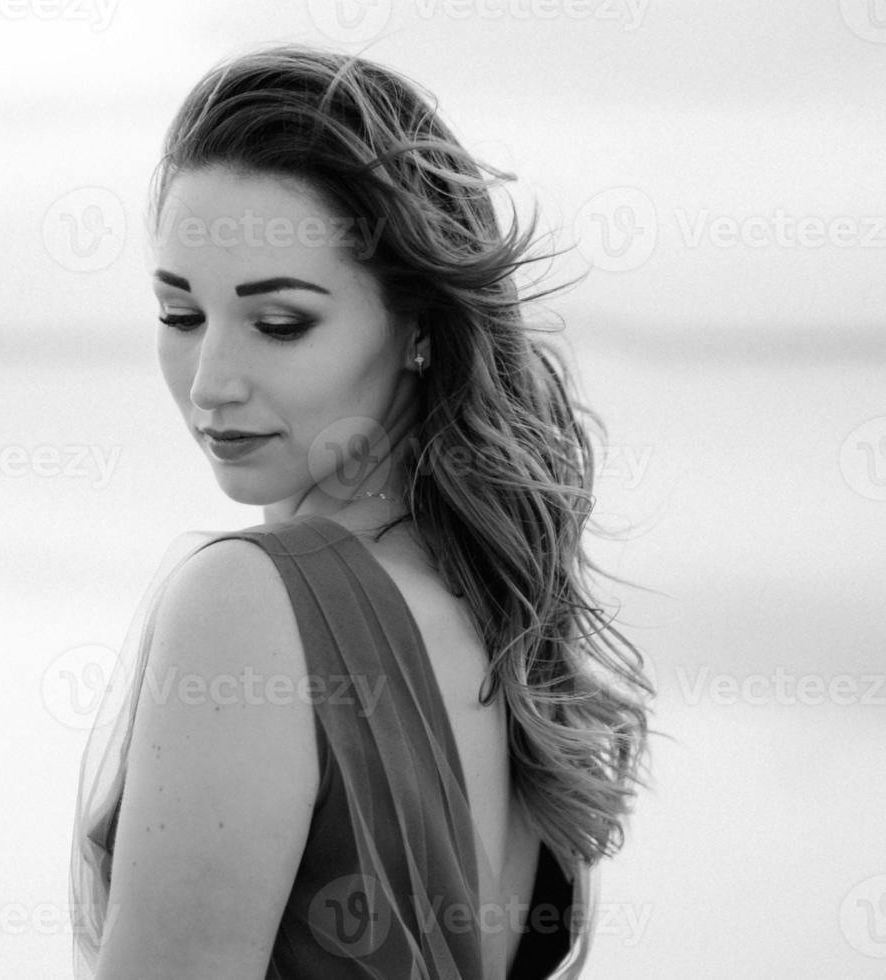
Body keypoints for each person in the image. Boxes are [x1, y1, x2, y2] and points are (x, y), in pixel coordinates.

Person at [70, 42, 653, 980]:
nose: (211, 382)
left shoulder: (250, 606)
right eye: (181, 316)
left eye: (280, 322)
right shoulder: (497, 612)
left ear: (417, 326)